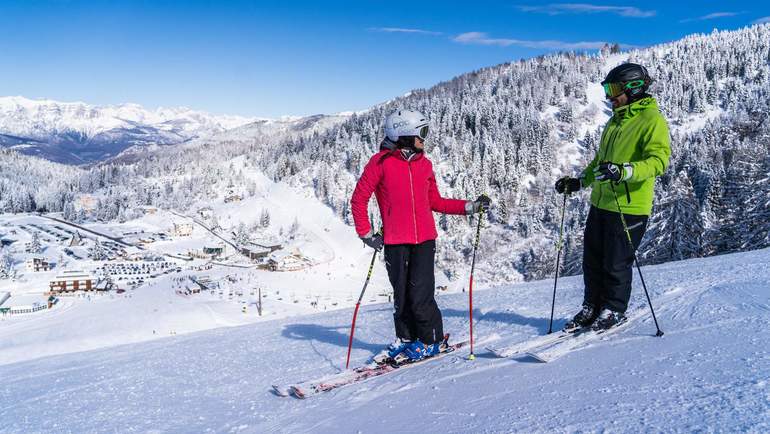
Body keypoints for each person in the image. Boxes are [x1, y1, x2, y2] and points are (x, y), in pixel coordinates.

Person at [350, 109, 490, 361]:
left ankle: (431, 339)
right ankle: (406, 337)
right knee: (401, 295)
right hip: (395, 241)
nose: (425, 138)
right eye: (421, 133)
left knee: (420, 294)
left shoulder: (424, 164)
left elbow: (435, 202)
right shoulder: (379, 163)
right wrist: (366, 233)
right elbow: (359, 199)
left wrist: (470, 206)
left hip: (424, 240)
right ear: (403, 135)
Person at [555, 63, 671, 331]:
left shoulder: (651, 120)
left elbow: (658, 161)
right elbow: (601, 161)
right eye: (608, 89)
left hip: (630, 206)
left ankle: (614, 309)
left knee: (616, 263)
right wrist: (580, 181)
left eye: (614, 89)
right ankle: (592, 305)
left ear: (633, 88)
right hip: (601, 202)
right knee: (592, 260)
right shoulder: (615, 121)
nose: (610, 96)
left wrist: (624, 171)